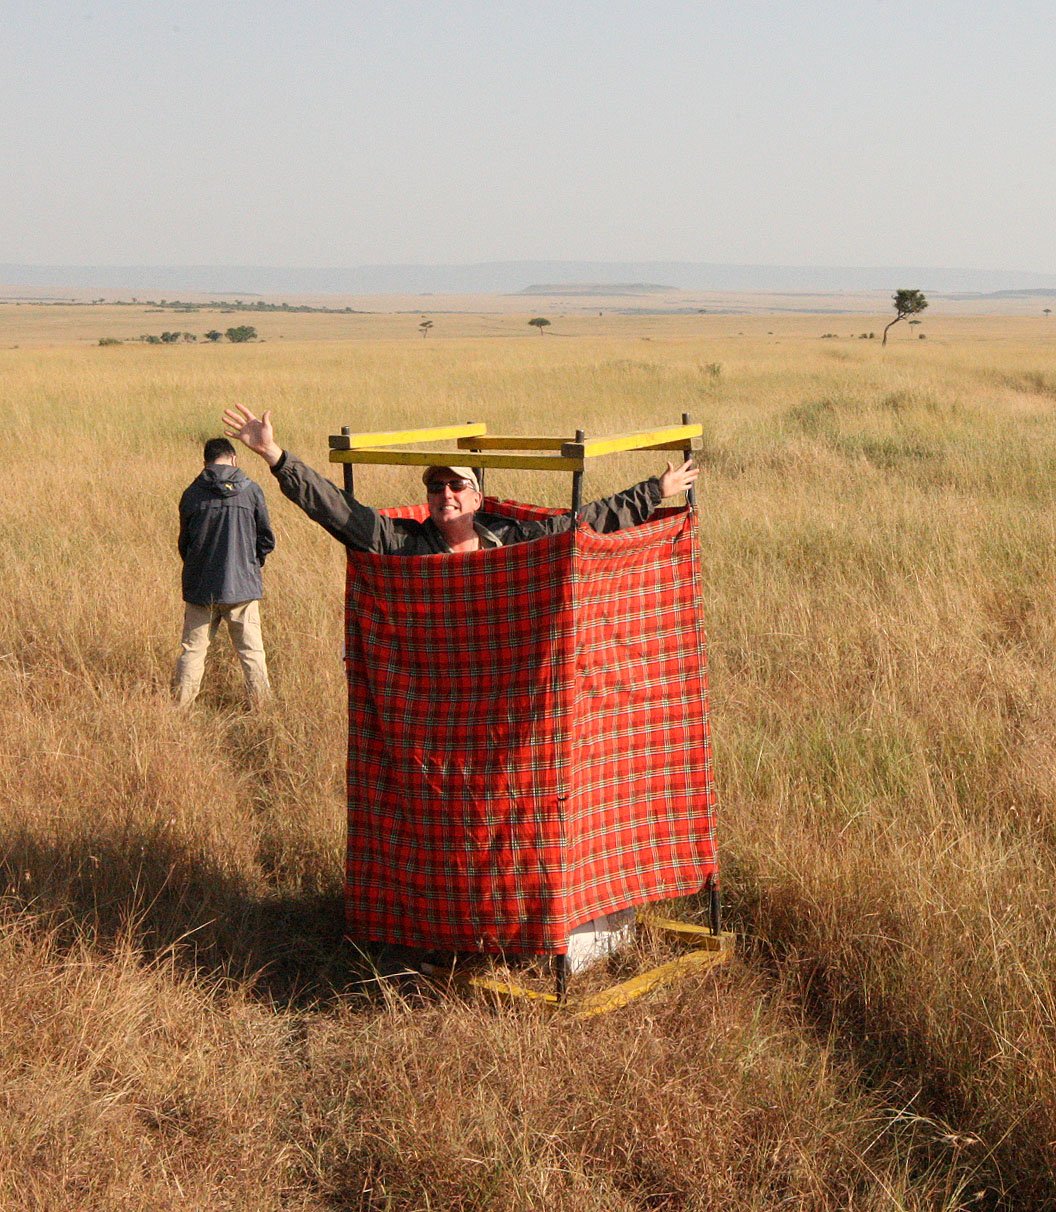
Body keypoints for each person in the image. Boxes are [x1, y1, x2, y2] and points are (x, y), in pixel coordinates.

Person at [220, 404, 699, 552]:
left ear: (477, 497)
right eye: (434, 486)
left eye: (455, 485)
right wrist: (276, 456)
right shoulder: (402, 543)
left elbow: (587, 520)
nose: (443, 494)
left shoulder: (512, 538)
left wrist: (655, 491)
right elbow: (337, 509)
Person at [173, 436, 275, 706]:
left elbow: (185, 544)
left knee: (192, 651)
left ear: (205, 462)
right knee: (252, 653)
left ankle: (180, 710)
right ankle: (262, 710)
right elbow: (266, 539)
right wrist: (250, 566)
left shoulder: (192, 493)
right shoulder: (251, 491)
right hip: (242, 588)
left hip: (200, 589)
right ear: (233, 459)